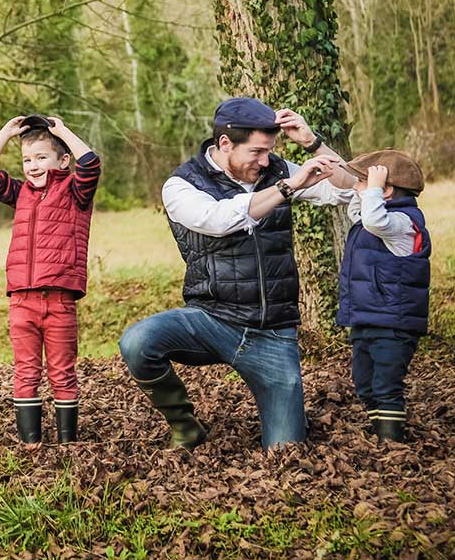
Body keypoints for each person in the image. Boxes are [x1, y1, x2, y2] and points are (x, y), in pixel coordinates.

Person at [118, 97, 357, 450]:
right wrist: (288, 187)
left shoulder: (276, 170)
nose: (265, 161)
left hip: (273, 332)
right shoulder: (183, 185)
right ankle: (185, 424)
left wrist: (312, 143)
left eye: (269, 152)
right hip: (212, 319)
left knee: (285, 451)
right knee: (137, 342)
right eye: (257, 152)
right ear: (225, 144)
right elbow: (220, 220)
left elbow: (350, 187)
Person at [0, 114, 101, 447]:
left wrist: (62, 132)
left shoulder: (75, 192)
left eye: (41, 158)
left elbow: (89, 163)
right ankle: (30, 443)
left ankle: (67, 442)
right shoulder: (21, 194)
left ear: (62, 160)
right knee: (26, 372)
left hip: (59, 300)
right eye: (27, 160)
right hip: (21, 301)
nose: (32, 166)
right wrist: (5, 133)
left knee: (62, 372)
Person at [336, 150, 431, 442]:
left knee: (385, 385)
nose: (358, 188)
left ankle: (391, 443)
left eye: (365, 183)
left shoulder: (402, 222)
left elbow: (374, 220)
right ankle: (380, 431)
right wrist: (360, 189)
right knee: (364, 384)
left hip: (394, 323)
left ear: (385, 191)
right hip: (368, 318)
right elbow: (360, 215)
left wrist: (373, 188)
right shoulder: (377, 216)